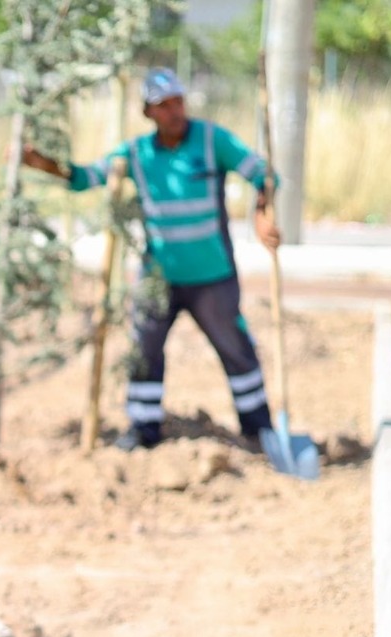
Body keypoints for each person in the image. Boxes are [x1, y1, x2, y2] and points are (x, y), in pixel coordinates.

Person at [23, 67, 283, 451]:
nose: (175, 111)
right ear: (149, 112)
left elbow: (264, 174)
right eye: (164, 106)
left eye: (178, 102)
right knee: (144, 350)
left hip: (212, 276)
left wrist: (262, 216)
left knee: (235, 347)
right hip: (158, 276)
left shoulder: (213, 141)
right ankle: (143, 429)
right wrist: (41, 162)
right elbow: (85, 178)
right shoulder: (135, 154)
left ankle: (259, 429)